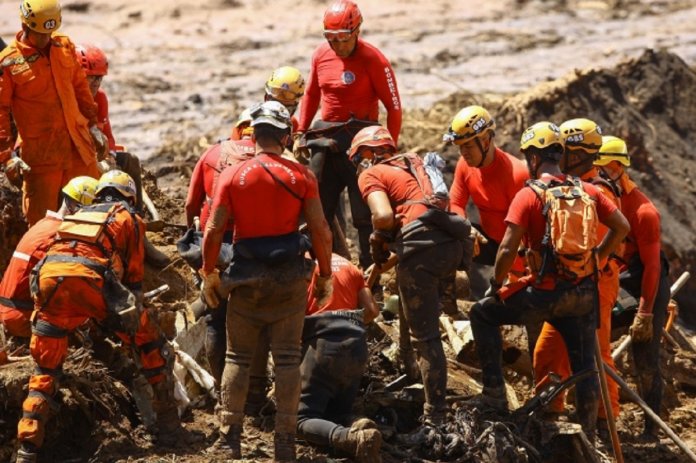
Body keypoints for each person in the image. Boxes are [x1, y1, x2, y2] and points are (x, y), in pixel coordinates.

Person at [468, 121, 629, 436]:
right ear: (560, 154)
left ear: (533, 158)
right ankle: (589, 433)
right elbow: (621, 226)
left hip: (543, 295)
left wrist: (495, 286)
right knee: (585, 367)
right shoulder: (590, 190)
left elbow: (506, 249)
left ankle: (494, 394)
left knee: (481, 314)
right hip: (582, 295)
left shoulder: (529, 195)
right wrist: (597, 258)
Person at [15, 170, 181, 463]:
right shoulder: (128, 218)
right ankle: (169, 428)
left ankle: (27, 449)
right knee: (151, 342)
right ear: (130, 196)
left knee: (45, 370)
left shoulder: (75, 217)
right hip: (89, 280)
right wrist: (130, 322)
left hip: (49, 283)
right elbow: (133, 282)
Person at [199, 101, 332, 462]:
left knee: (238, 357)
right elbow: (320, 229)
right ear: (286, 136)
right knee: (288, 359)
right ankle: (285, 443)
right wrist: (325, 274)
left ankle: (229, 440)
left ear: (254, 134)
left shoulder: (232, 175)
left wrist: (209, 272)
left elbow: (213, 229)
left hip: (247, 277)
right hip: (289, 278)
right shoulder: (302, 175)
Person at [353, 125, 469, 426]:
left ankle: (436, 417)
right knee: (410, 299)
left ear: (367, 155)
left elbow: (383, 217)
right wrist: (383, 262)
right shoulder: (414, 162)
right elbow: (420, 222)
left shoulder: (371, 173)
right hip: (449, 244)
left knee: (426, 338)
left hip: (423, 254)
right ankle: (409, 370)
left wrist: (377, 241)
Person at [295, 0, 402, 270]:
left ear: (356, 31)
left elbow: (394, 107)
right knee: (318, 210)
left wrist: (390, 149)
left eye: (343, 38)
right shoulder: (321, 55)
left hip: (362, 143)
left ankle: (370, 274)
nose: (337, 45)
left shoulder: (374, 60)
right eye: (330, 38)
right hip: (325, 140)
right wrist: (300, 132)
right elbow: (311, 94)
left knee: (364, 215)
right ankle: (321, 271)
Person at [532, 119, 622, 431]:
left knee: (597, 354)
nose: (558, 156)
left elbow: (607, 234)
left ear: (580, 154)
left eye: (564, 151)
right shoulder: (572, 187)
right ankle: (549, 410)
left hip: (596, 283)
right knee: (548, 350)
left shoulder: (596, 190)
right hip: (573, 284)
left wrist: (597, 257)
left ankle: (603, 420)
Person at [0, 0, 108, 226]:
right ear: (25, 25)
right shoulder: (10, 62)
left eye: (49, 32)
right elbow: (0, 110)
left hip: (78, 147)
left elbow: (80, 88)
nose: (45, 39)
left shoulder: (64, 46)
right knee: (43, 223)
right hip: (42, 155)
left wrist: (93, 125)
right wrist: (7, 156)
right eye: (40, 33)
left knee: (95, 211)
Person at [595, 134, 669, 437]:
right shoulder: (598, 198)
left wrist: (645, 313)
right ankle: (598, 412)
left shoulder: (642, 211)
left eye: (599, 168)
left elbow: (652, 265)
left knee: (646, 356)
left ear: (614, 167)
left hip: (646, 280)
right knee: (594, 332)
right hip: (619, 273)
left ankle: (652, 429)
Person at [183, 108, 256, 385]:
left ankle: (222, 389)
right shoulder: (271, 157)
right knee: (256, 318)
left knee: (216, 317)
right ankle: (252, 389)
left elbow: (191, 204)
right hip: (253, 245)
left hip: (214, 245)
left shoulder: (212, 153)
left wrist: (194, 236)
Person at [297, 253, 381, 462]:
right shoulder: (349, 265)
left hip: (323, 344)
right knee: (335, 415)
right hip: (356, 346)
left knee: (301, 419)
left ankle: (350, 439)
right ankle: (357, 426)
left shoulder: (300, 265)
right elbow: (371, 310)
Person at [0, 176, 97, 345]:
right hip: (21, 316)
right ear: (77, 208)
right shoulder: (59, 237)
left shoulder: (44, 225)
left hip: (9, 309)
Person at [445, 105, 529, 299]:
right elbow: (455, 203)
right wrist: (466, 228)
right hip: (489, 242)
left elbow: (525, 235)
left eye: (468, 146)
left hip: (517, 248)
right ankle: (448, 297)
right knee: (443, 232)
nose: (463, 152)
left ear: (485, 141)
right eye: (460, 147)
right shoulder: (465, 165)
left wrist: (512, 276)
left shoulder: (515, 174)